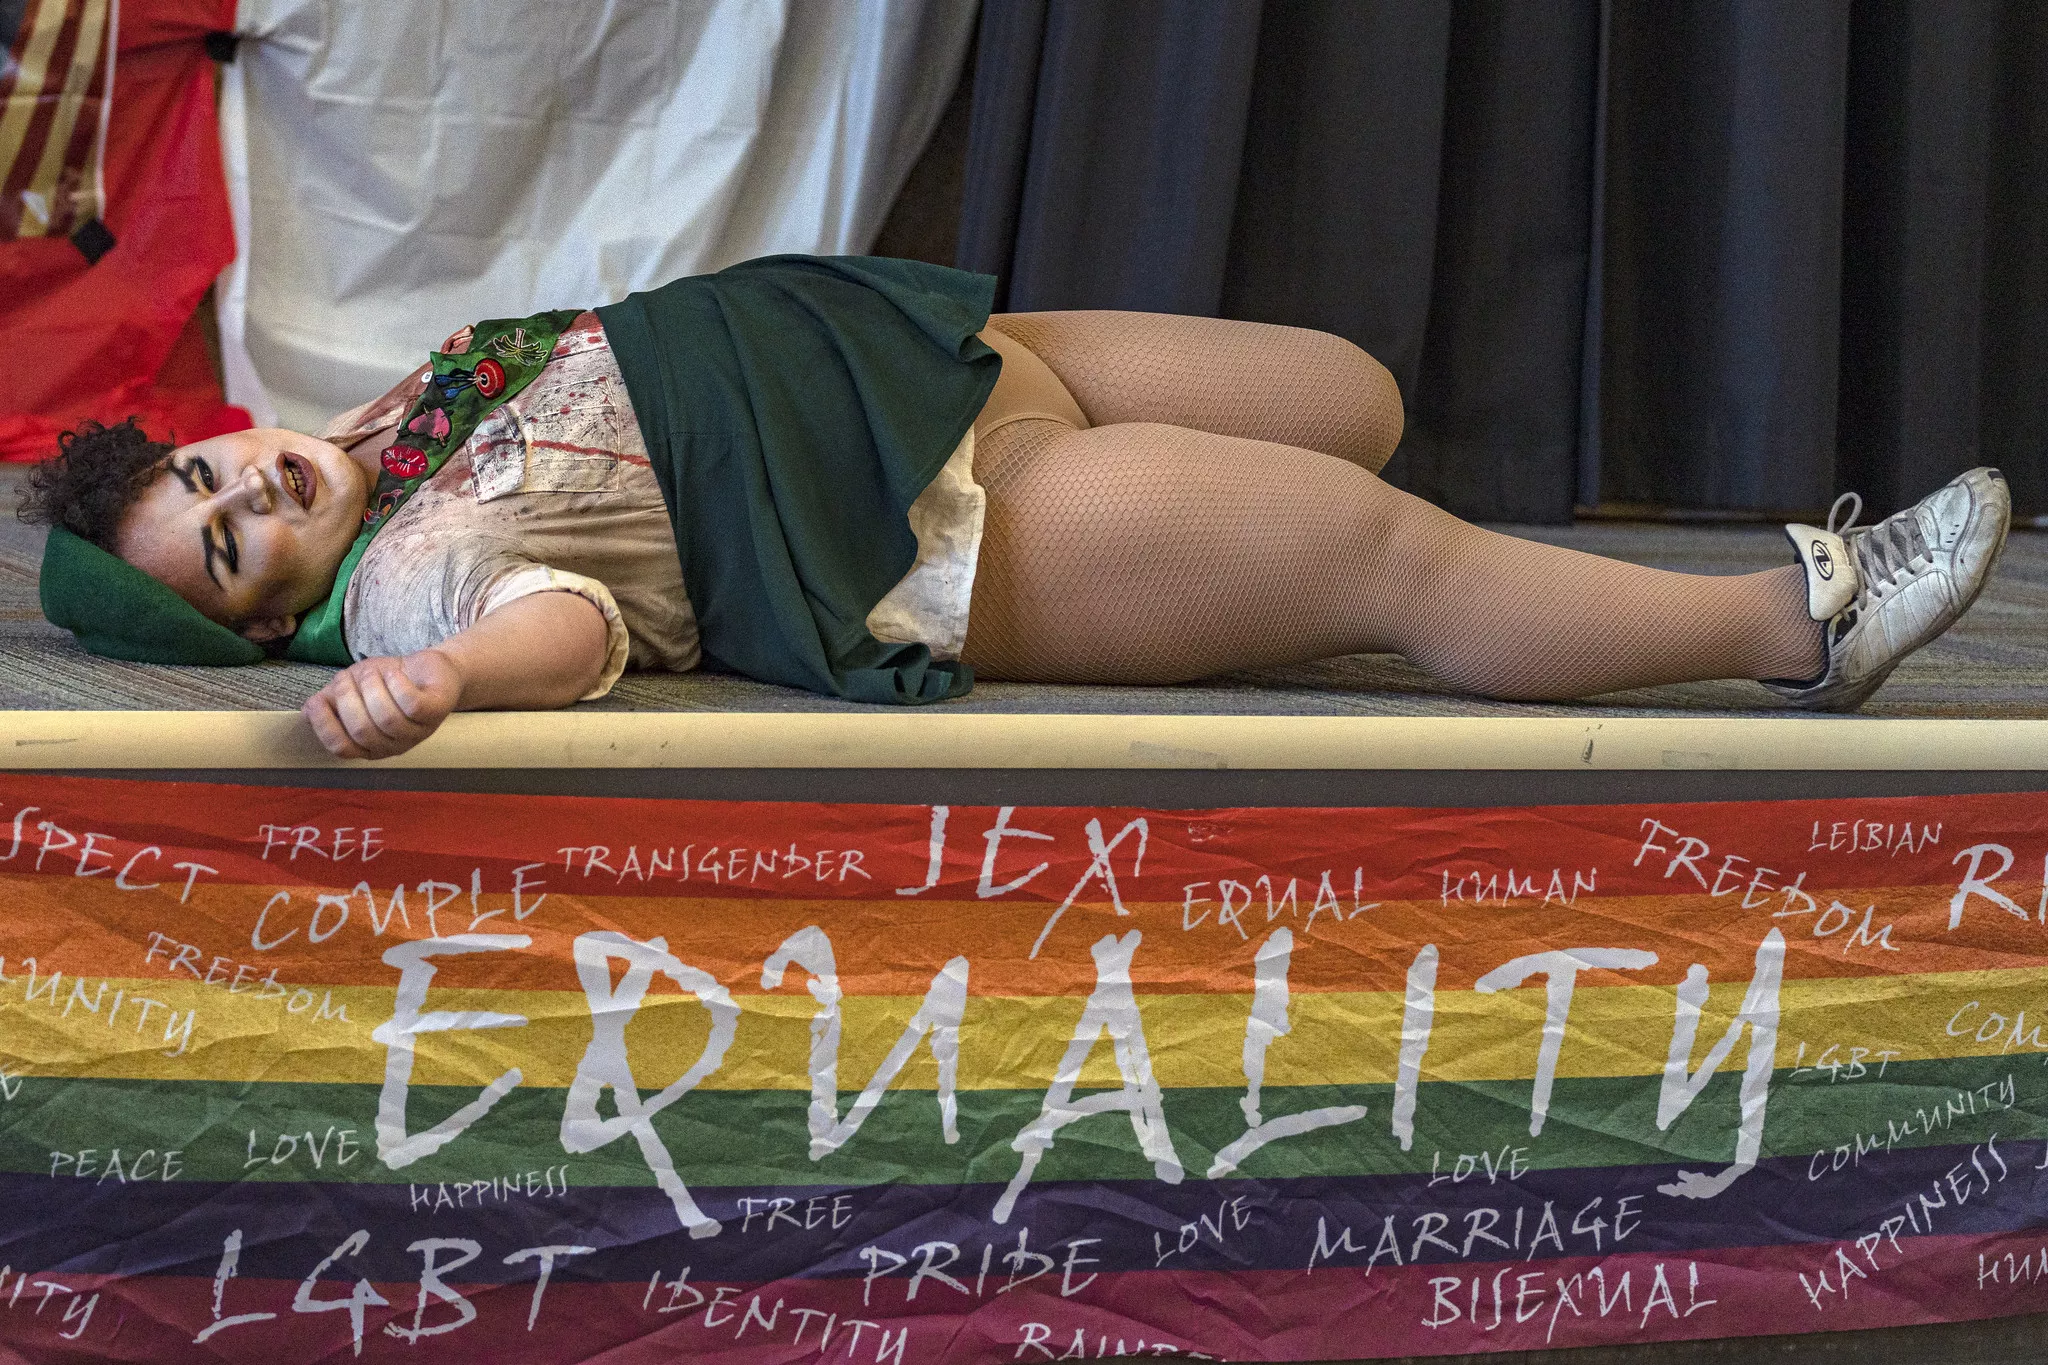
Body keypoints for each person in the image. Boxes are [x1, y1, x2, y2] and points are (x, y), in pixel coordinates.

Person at [22, 256, 2012, 761]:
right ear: (276, 616)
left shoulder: (404, 415)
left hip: (943, 355)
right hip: (935, 523)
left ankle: (1253, 584)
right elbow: (571, 635)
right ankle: (1798, 619)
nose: (247, 493)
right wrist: (442, 678)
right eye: (226, 546)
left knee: (1356, 400)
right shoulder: (411, 583)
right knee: (1378, 553)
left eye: (209, 471)